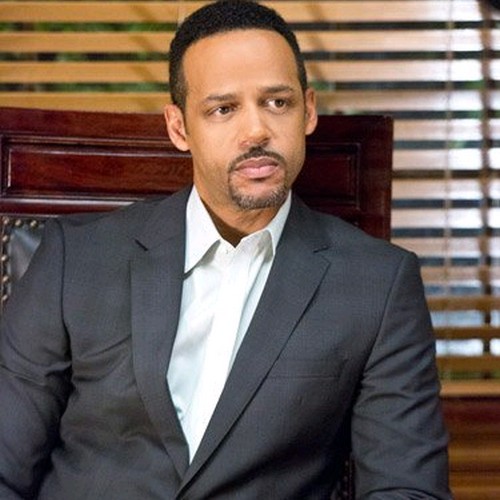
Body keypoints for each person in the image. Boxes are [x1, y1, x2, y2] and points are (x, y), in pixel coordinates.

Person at [0, 1, 450, 498]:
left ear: (308, 110)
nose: (256, 131)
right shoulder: (74, 259)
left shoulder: (379, 285)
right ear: (179, 128)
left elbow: (407, 489)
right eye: (223, 109)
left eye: (277, 102)